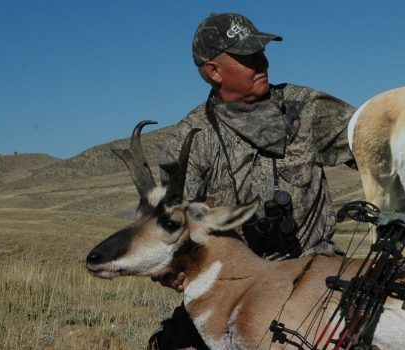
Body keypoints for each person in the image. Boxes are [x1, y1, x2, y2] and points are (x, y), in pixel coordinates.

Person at [148, 12, 355, 349]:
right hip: (237, 289)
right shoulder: (191, 139)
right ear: (214, 71)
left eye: (261, 51)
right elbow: (173, 231)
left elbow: (374, 142)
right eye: (247, 57)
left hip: (318, 275)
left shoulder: (306, 108)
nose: (262, 62)